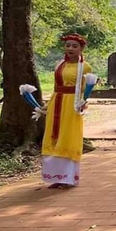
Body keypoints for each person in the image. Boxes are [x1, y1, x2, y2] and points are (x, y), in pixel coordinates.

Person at [40, 33, 93, 188]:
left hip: (72, 104)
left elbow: (86, 89)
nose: (70, 48)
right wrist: (48, 104)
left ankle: (68, 178)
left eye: (74, 46)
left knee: (68, 136)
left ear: (81, 49)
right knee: (52, 136)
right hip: (57, 101)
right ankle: (55, 177)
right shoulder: (59, 64)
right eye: (68, 45)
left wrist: (82, 103)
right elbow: (56, 85)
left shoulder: (85, 67)